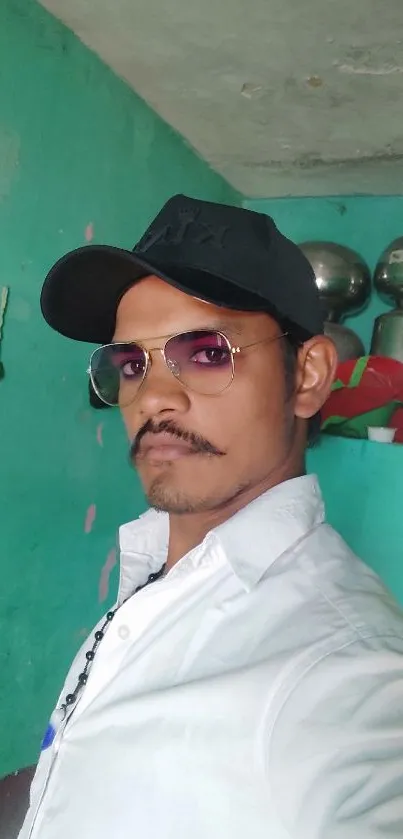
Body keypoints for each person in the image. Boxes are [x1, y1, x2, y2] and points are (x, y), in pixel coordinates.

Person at [18, 196, 403, 838]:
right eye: (132, 364)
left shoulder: (346, 670)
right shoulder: (157, 576)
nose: (154, 397)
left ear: (307, 377)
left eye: (205, 352)